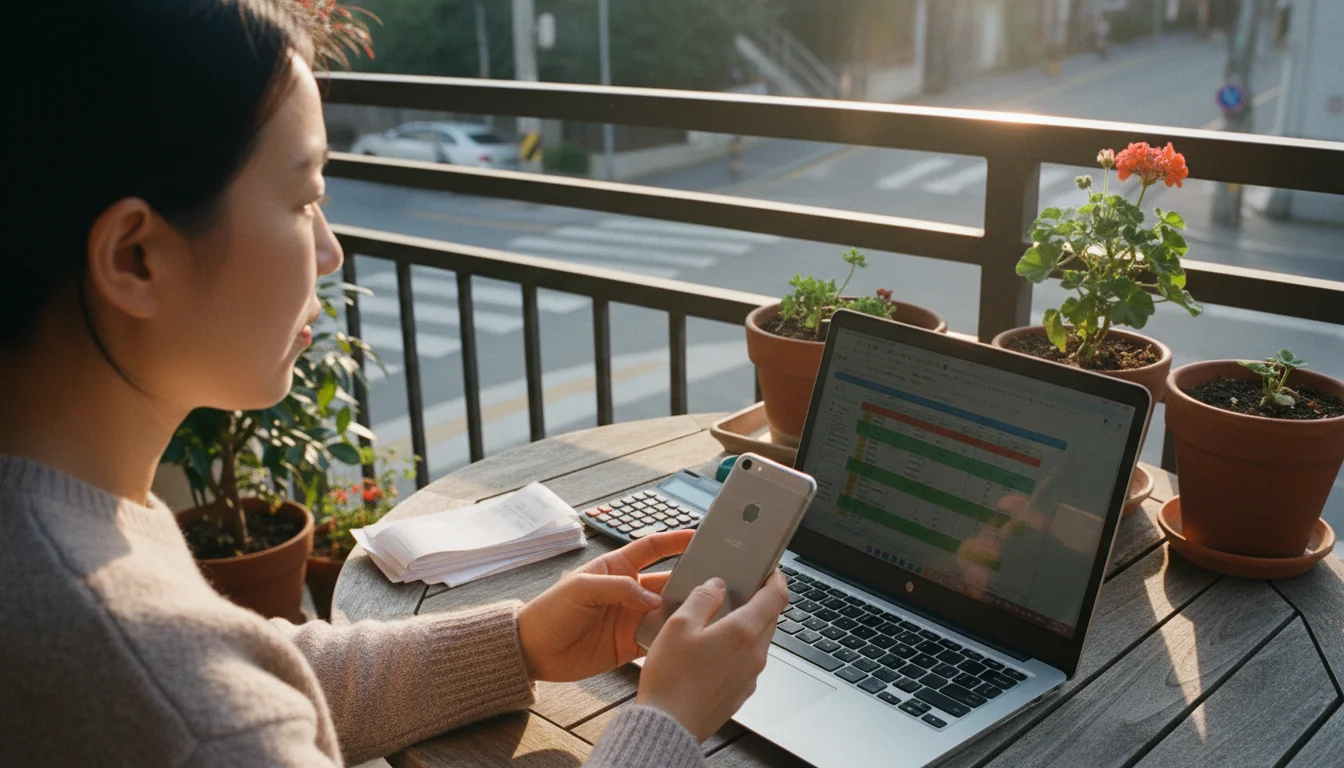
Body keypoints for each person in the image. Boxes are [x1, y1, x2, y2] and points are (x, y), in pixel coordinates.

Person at [0, 2, 789, 765]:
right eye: (305, 199)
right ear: (136, 258)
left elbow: (245, 672)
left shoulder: (57, 530)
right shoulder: (155, 675)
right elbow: (210, 712)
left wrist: (516, 642)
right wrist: (667, 722)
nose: (330, 252)